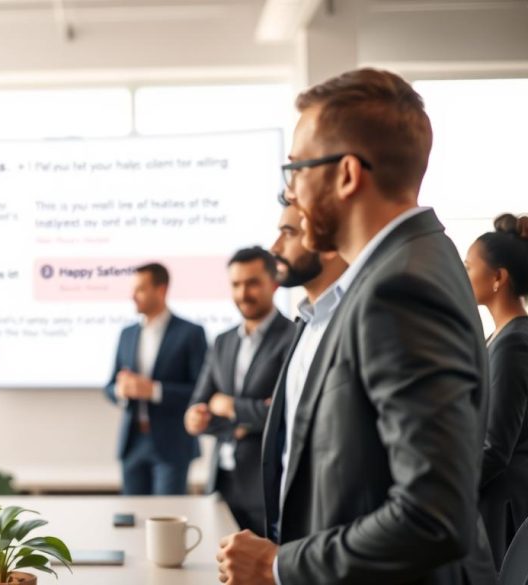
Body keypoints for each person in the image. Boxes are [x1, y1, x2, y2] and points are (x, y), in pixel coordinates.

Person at [217, 68, 495, 584]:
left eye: (296, 168)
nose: (292, 193)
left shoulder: (401, 288)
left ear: (346, 175)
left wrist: (278, 566)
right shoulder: (391, 271)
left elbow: (431, 516)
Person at [185, 246, 294, 534]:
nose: (243, 293)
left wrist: (230, 406)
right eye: (236, 284)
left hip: (266, 485)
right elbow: (199, 406)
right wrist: (203, 417)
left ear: (274, 283)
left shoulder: (293, 338)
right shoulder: (222, 341)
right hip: (222, 481)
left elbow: (285, 414)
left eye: (252, 283)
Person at [104, 262, 207, 495]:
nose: (132, 296)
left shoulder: (190, 333)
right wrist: (121, 390)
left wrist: (153, 390)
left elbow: (200, 391)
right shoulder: (127, 334)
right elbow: (109, 386)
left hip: (172, 444)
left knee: (167, 521)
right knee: (131, 518)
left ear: (161, 290)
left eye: (140, 289)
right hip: (133, 442)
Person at [465, 212, 528, 570]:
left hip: (506, 507)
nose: (463, 273)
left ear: (498, 279)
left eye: (468, 265)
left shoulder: (513, 344)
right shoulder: (500, 338)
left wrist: (449, 490)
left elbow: (497, 446)